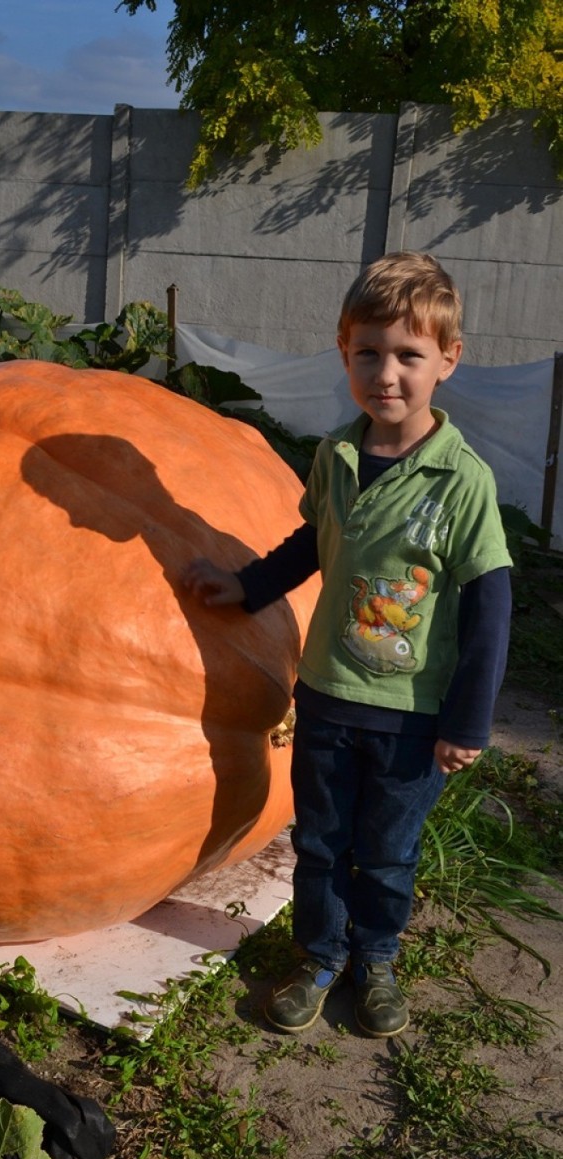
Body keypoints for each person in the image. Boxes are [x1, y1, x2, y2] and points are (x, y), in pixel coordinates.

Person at [182, 251, 512, 1039]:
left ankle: (379, 957)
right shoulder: (336, 456)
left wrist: (467, 723)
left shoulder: (461, 481)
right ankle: (321, 956)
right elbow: (314, 542)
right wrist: (249, 586)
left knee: (387, 852)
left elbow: (491, 604)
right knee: (323, 843)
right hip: (326, 696)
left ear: (448, 361)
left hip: (411, 716)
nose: (386, 374)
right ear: (344, 351)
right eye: (369, 352)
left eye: (409, 355)